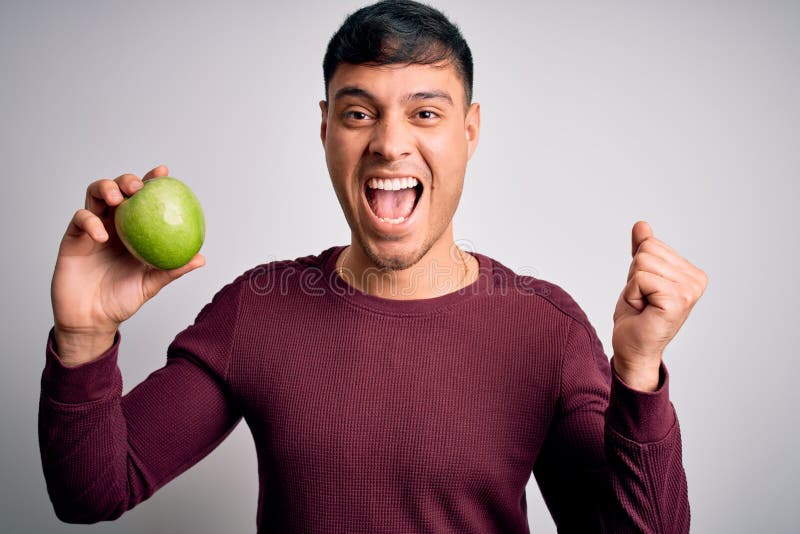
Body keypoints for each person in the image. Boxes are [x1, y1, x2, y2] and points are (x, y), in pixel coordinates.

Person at [39, 1, 707, 532]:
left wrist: (639, 376)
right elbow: (94, 489)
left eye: (425, 113)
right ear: (326, 129)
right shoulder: (258, 309)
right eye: (360, 113)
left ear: (469, 132)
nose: (390, 143)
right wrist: (83, 337)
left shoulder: (546, 328)